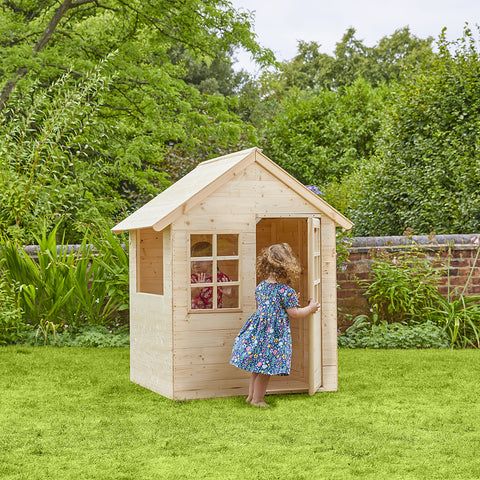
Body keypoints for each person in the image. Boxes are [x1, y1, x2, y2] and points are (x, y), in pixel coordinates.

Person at [230, 243, 320, 407]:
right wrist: (310, 308)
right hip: (273, 335)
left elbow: (268, 307)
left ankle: (251, 397)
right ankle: (258, 400)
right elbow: (294, 313)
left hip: (259, 332)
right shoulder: (285, 291)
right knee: (266, 369)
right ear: (286, 267)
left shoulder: (261, 287)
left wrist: (291, 302)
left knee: (258, 367)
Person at [190, 241, 232, 309]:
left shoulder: (220, 277)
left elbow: (232, 294)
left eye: (200, 260)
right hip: (196, 315)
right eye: (192, 260)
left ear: (211, 260)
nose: (195, 263)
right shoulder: (192, 278)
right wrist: (197, 288)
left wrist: (230, 292)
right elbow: (188, 295)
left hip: (215, 315)